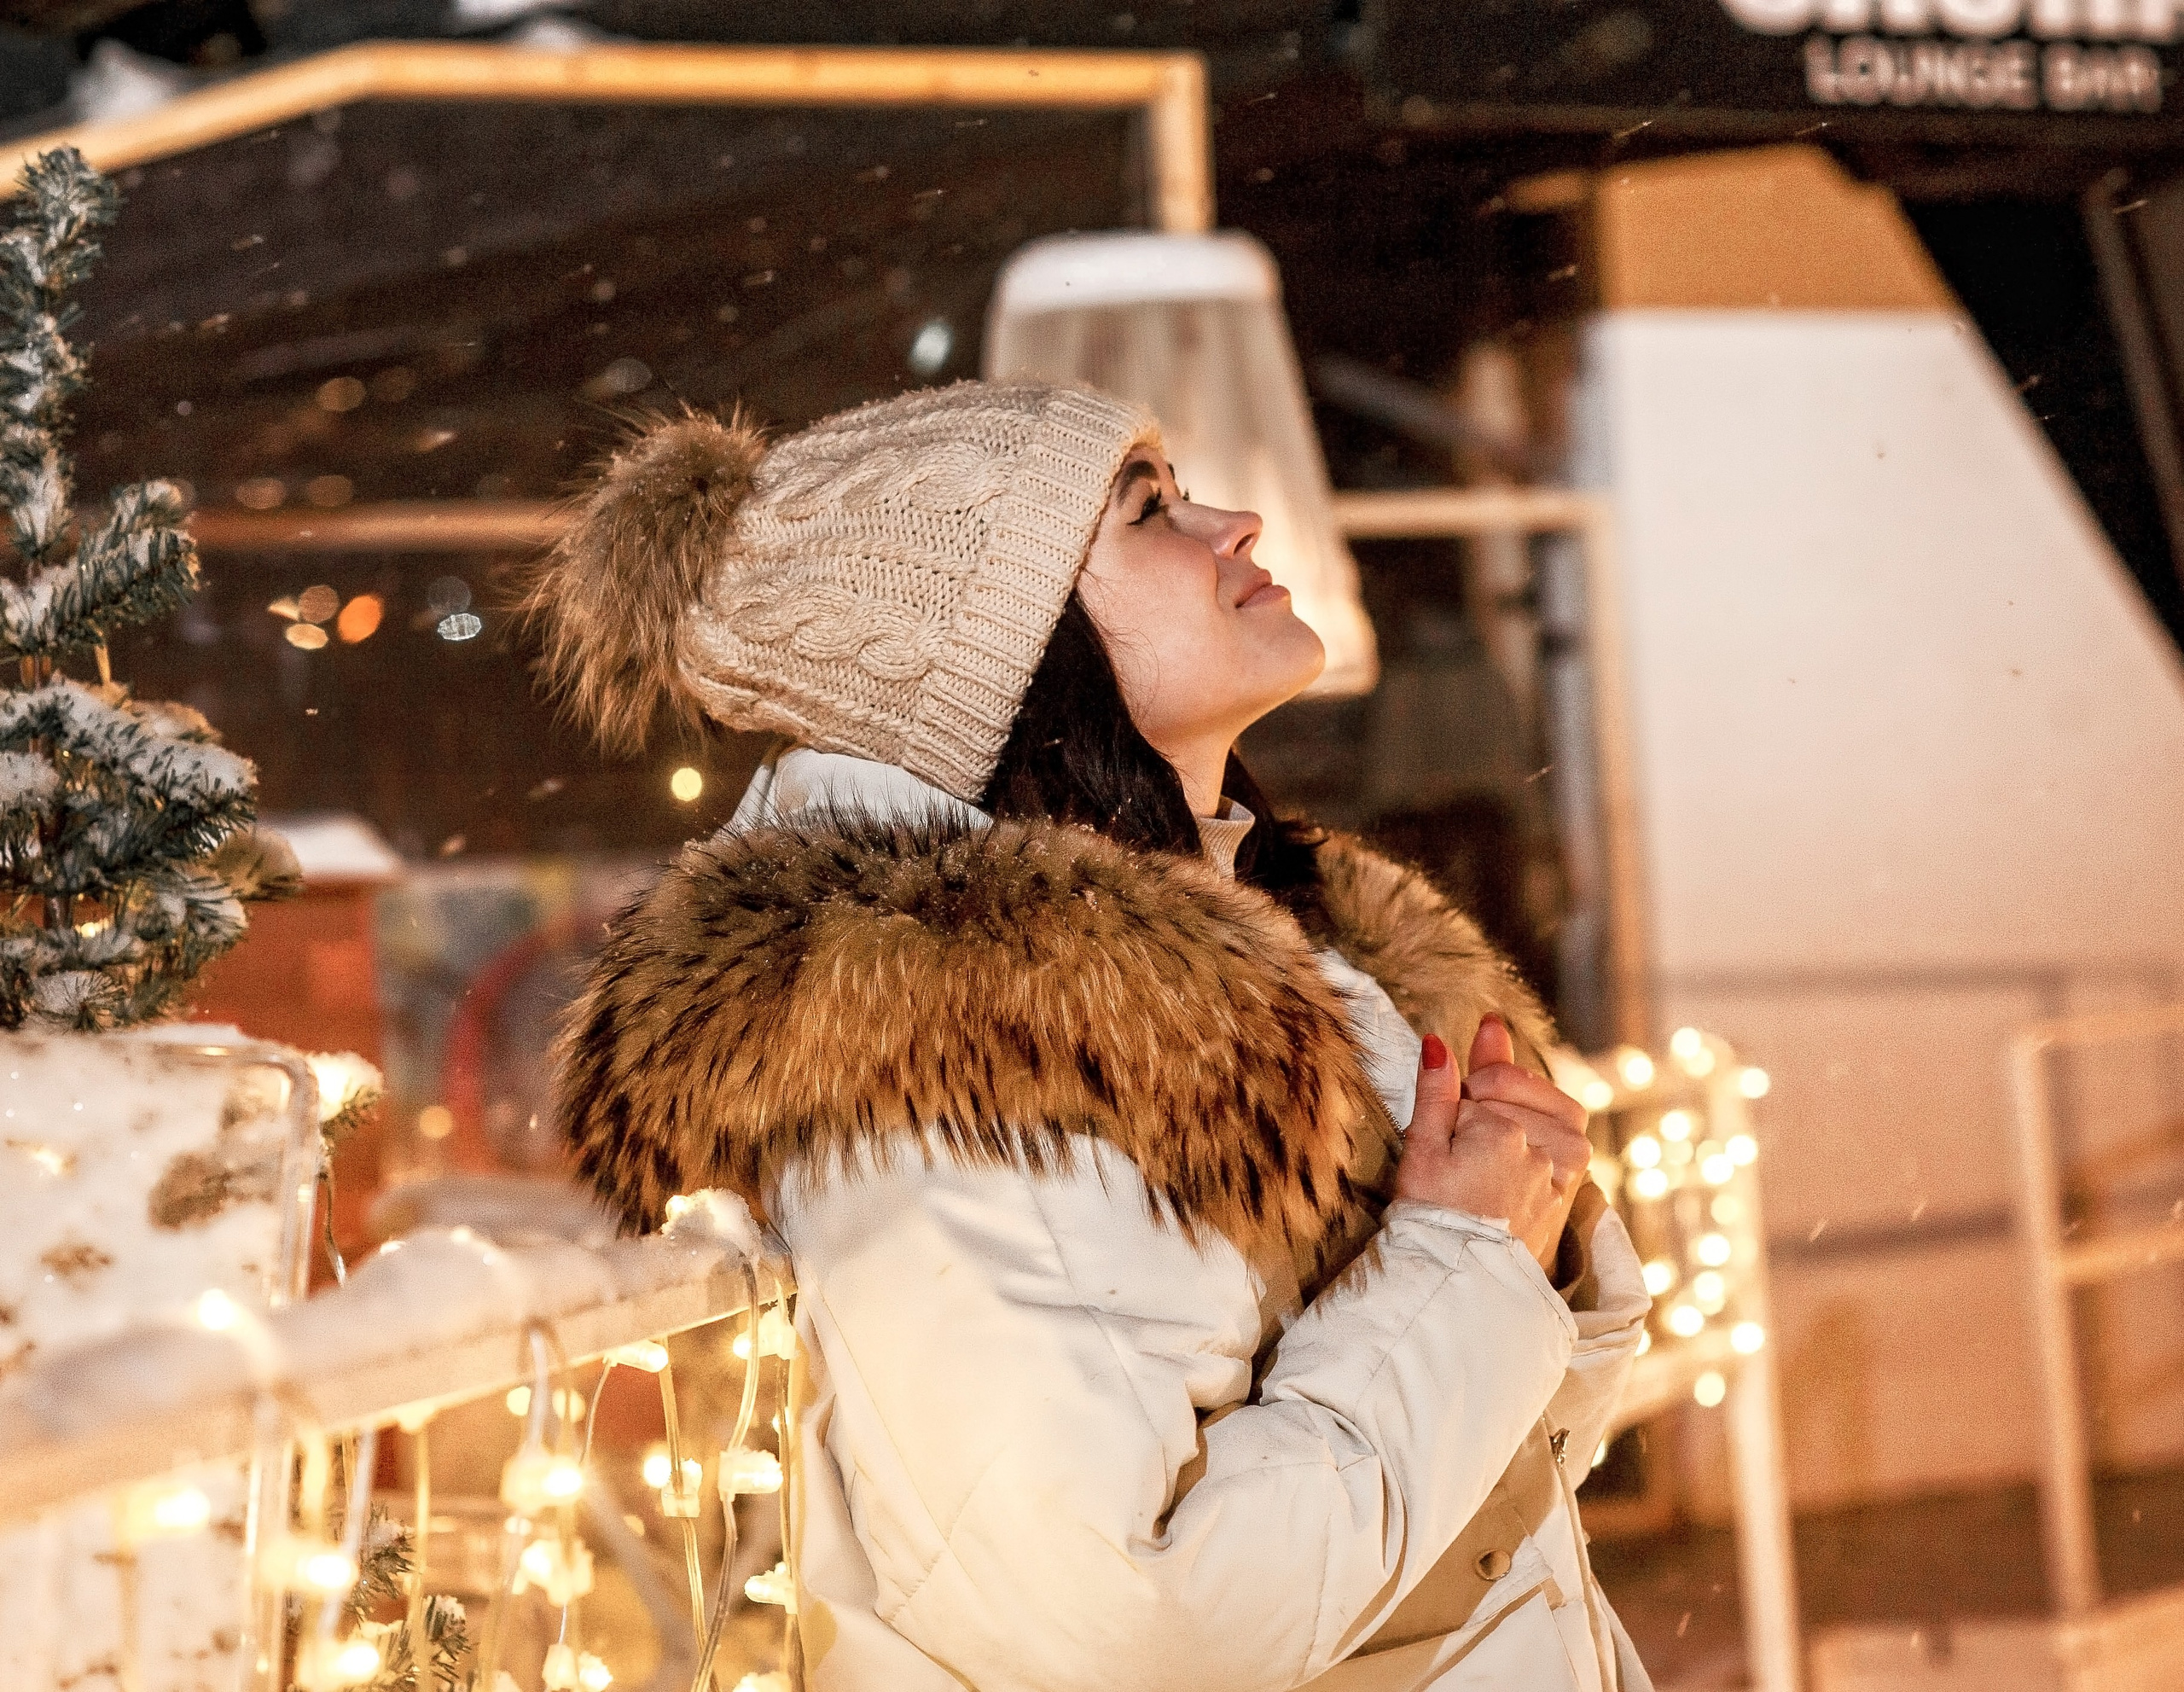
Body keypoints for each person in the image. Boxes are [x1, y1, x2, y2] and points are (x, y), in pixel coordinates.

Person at [528, 380, 1653, 1691]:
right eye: (1150, 512)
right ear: (998, 643)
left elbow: (1479, 1498)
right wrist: (1468, 1263)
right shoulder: (953, 1060)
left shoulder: (1267, 949)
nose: (1232, 524)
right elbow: (1127, 1628)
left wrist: (1513, 1257)